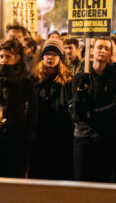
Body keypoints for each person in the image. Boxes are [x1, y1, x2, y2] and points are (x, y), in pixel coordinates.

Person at [0, 39, 37, 178]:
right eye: (1, 56)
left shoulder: (25, 83)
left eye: (8, 57)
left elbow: (33, 114)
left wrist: (27, 136)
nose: (3, 60)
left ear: (18, 58)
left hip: (16, 144)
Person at [71, 38, 116, 182]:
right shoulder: (80, 76)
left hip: (105, 137)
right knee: (82, 180)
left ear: (111, 54)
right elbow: (77, 110)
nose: (102, 51)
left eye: (107, 49)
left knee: (102, 180)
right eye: (100, 47)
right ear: (91, 50)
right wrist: (81, 92)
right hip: (83, 136)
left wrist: (93, 114)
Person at [30, 38, 74, 180]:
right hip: (39, 132)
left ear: (60, 57)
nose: (50, 57)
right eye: (47, 54)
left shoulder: (68, 80)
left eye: (54, 54)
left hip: (60, 133)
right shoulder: (34, 79)